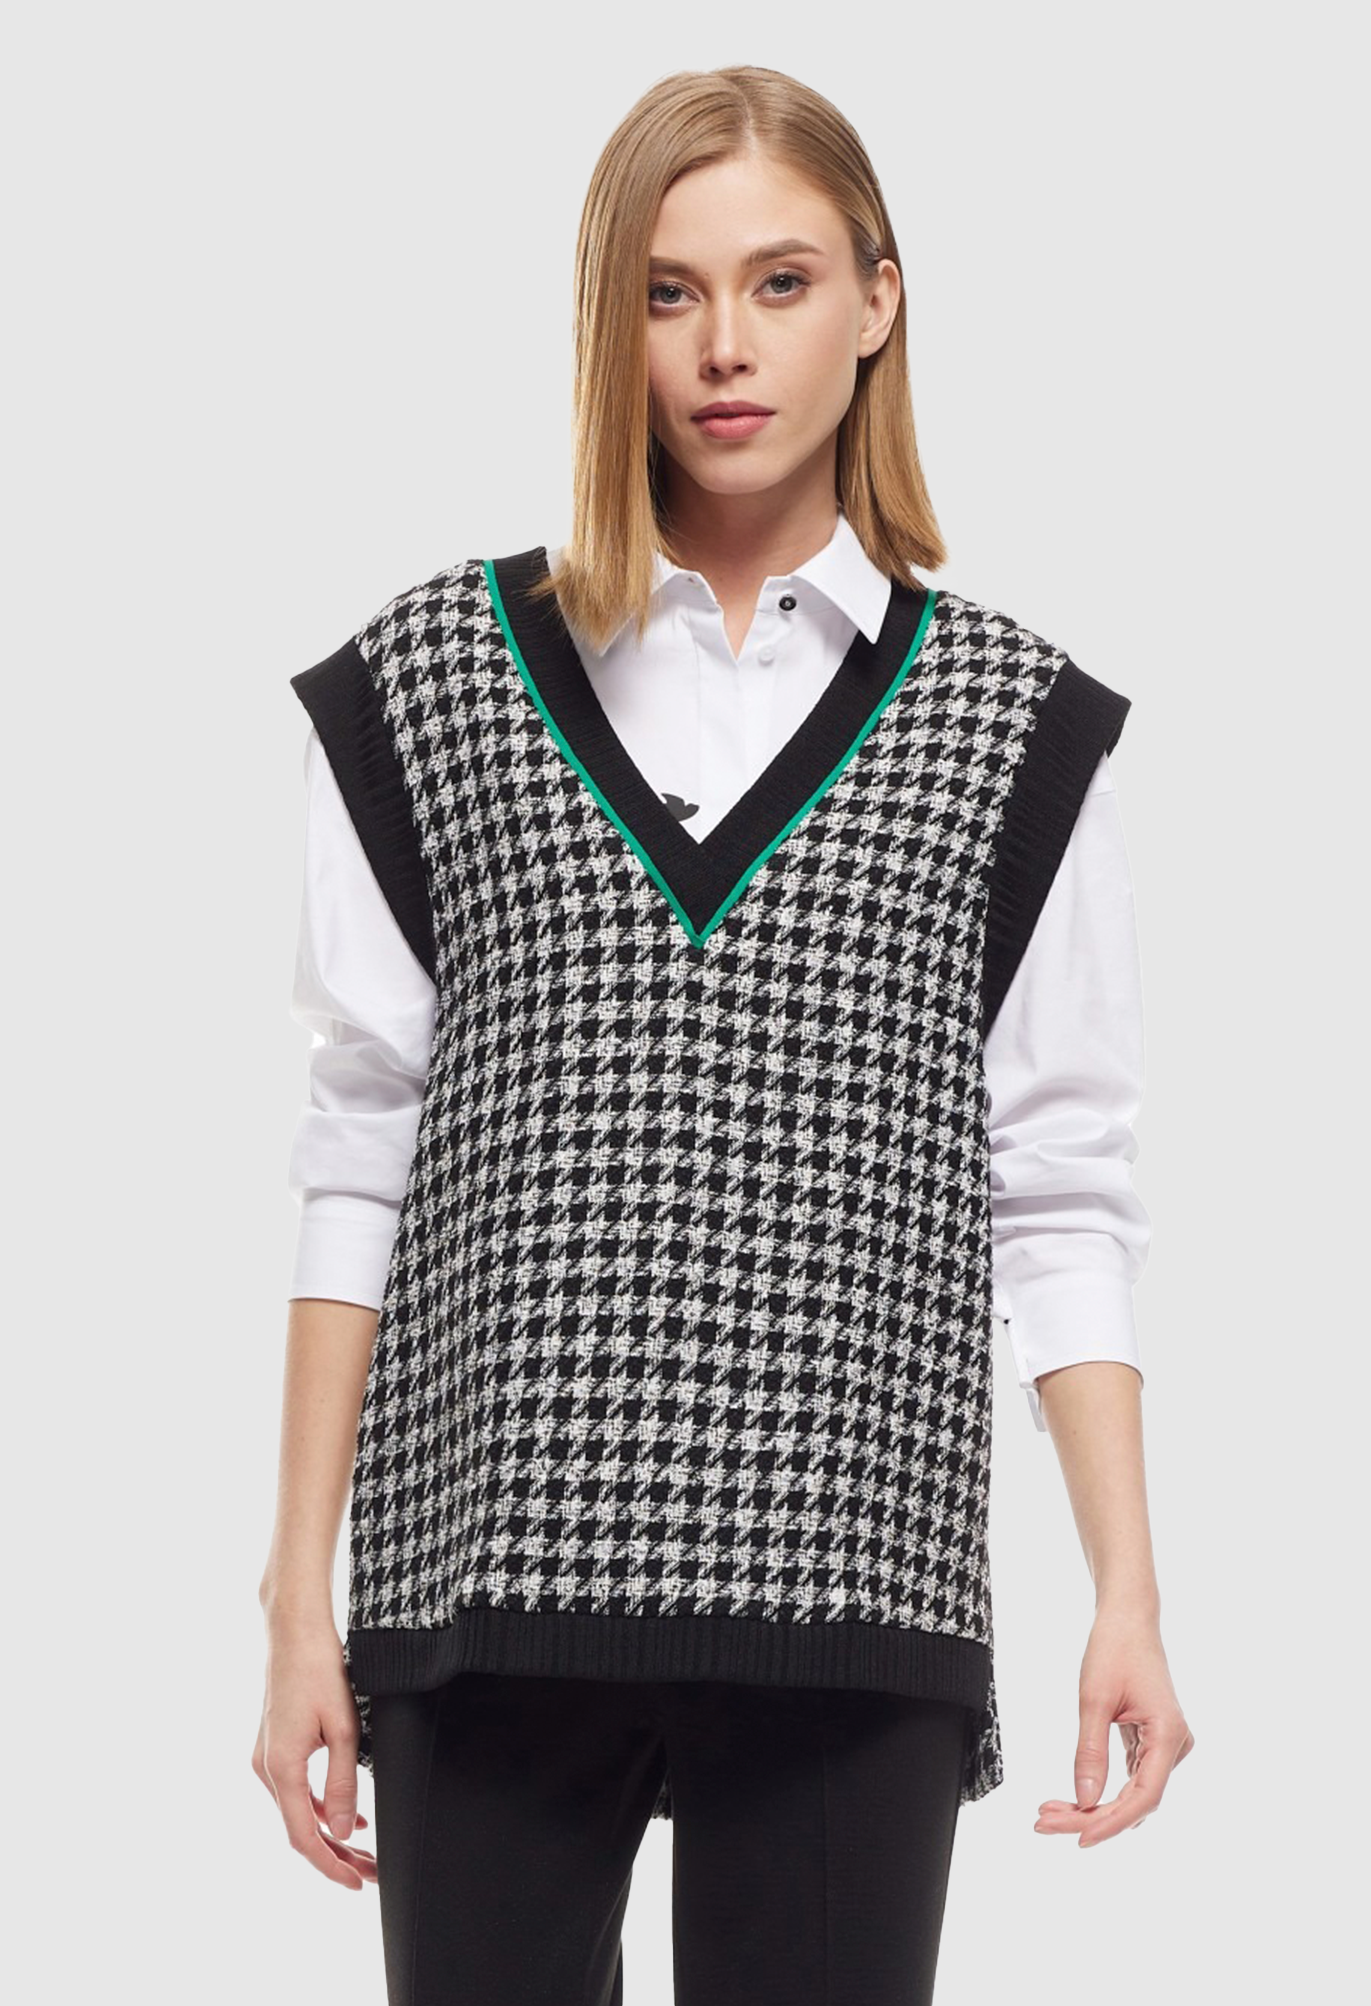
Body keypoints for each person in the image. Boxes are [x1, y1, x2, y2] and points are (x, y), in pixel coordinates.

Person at [254, 63, 1194, 2006]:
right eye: (666, 293)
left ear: (878, 299)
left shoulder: (1014, 727)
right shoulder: (438, 678)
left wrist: (1126, 1586)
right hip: (489, 1574)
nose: (722, 348)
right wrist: (294, 1587)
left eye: (779, 282)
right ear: (608, 324)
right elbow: (361, 1140)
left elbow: (1056, 1182)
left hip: (853, 1572)